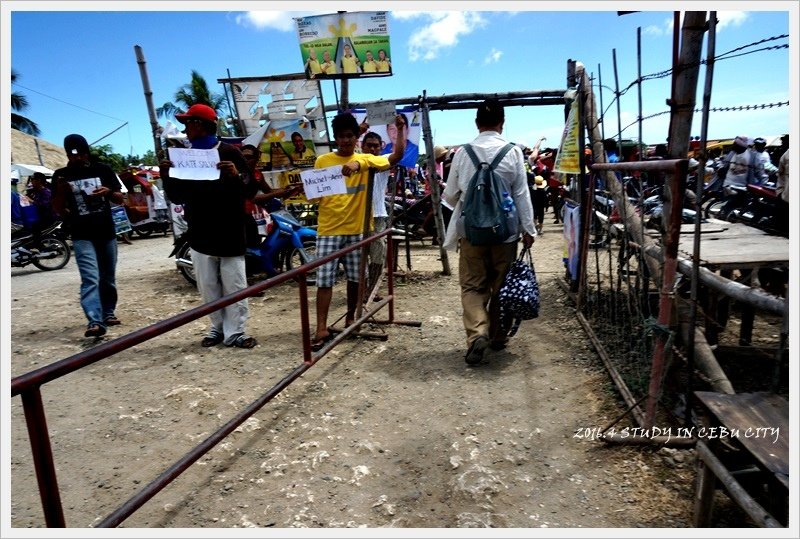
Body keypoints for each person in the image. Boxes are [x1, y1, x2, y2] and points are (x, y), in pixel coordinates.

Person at [442, 99, 536, 366]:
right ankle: (497, 337)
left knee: (472, 286)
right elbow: (521, 193)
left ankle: (477, 334)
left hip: (472, 233)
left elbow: (450, 196)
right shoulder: (513, 152)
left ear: (476, 123)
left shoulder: (462, 153)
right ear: (502, 123)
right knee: (501, 286)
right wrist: (528, 229)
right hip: (505, 234)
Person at [159, 104, 260, 349]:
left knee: (234, 283)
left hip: (230, 231)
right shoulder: (184, 157)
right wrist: (167, 175)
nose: (185, 129)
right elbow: (177, 196)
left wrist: (236, 175)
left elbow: (250, 189)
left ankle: (236, 332)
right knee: (208, 285)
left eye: (189, 123)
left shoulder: (229, 152)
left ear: (201, 125)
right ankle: (216, 328)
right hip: (200, 232)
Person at [309, 112, 406, 351]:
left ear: (356, 137)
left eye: (349, 136)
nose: (345, 140)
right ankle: (321, 326)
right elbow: (316, 194)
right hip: (329, 230)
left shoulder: (366, 160)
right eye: (341, 136)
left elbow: (396, 156)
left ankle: (352, 318)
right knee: (324, 281)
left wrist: (401, 130)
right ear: (335, 138)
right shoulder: (322, 162)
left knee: (355, 279)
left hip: (356, 231)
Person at [51, 134, 125, 338]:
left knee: (107, 277)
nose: (77, 158)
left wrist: (108, 192)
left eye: (81, 154)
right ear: (67, 154)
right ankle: (94, 320)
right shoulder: (60, 175)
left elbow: (120, 199)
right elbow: (57, 208)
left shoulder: (103, 170)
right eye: (72, 154)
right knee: (90, 278)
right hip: (81, 234)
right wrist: (60, 191)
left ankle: (108, 313)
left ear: (87, 152)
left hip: (106, 232)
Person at [361, 127, 406, 299]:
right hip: (358, 216)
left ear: (381, 147)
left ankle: (371, 289)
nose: (372, 149)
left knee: (378, 252)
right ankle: (361, 289)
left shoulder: (383, 160)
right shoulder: (356, 161)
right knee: (359, 254)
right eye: (369, 146)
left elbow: (399, 153)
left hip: (378, 215)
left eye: (375, 146)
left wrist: (400, 129)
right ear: (362, 146)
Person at [719, 135, 753, 215]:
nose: (733, 145)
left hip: (742, 186)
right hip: (728, 184)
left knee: (740, 204)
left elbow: (751, 172)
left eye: (735, 144)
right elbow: (725, 166)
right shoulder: (732, 153)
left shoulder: (750, 155)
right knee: (732, 204)